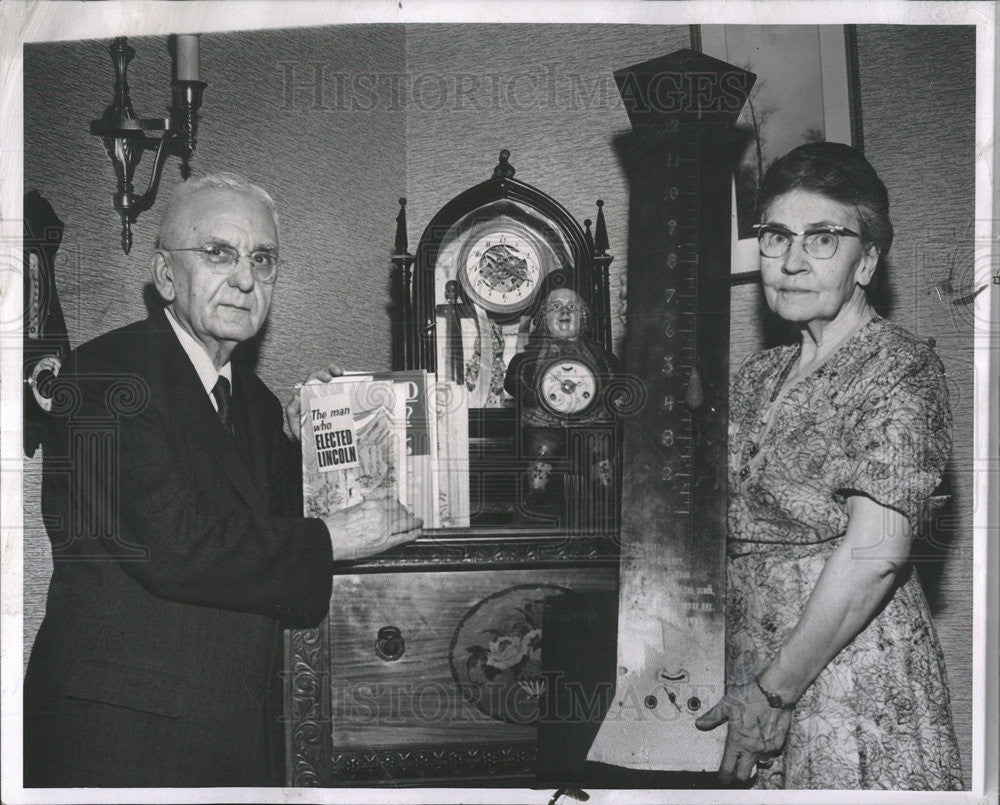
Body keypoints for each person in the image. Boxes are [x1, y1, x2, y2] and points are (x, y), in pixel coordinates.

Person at [23, 173, 420, 787]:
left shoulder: (257, 405)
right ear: (164, 275)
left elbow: (277, 558)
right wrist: (333, 538)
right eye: (219, 253)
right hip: (116, 739)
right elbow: (178, 546)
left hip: (232, 736)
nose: (245, 279)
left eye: (263, 260)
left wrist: (315, 447)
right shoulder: (105, 375)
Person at [694, 142, 962, 790]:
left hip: (851, 687)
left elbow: (875, 557)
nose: (789, 261)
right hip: (751, 681)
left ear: (866, 260)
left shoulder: (900, 367)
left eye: (821, 240)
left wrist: (774, 692)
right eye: (776, 236)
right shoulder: (757, 376)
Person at [504, 272, 622, 525]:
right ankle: (535, 498)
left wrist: (609, 393)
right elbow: (513, 380)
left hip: (591, 422)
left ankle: (607, 502)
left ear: (585, 317)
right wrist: (531, 394)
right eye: (555, 307)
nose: (564, 312)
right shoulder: (528, 358)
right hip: (544, 422)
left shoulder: (599, 356)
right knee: (541, 452)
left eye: (573, 307)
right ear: (543, 319)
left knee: (600, 450)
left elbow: (616, 379)